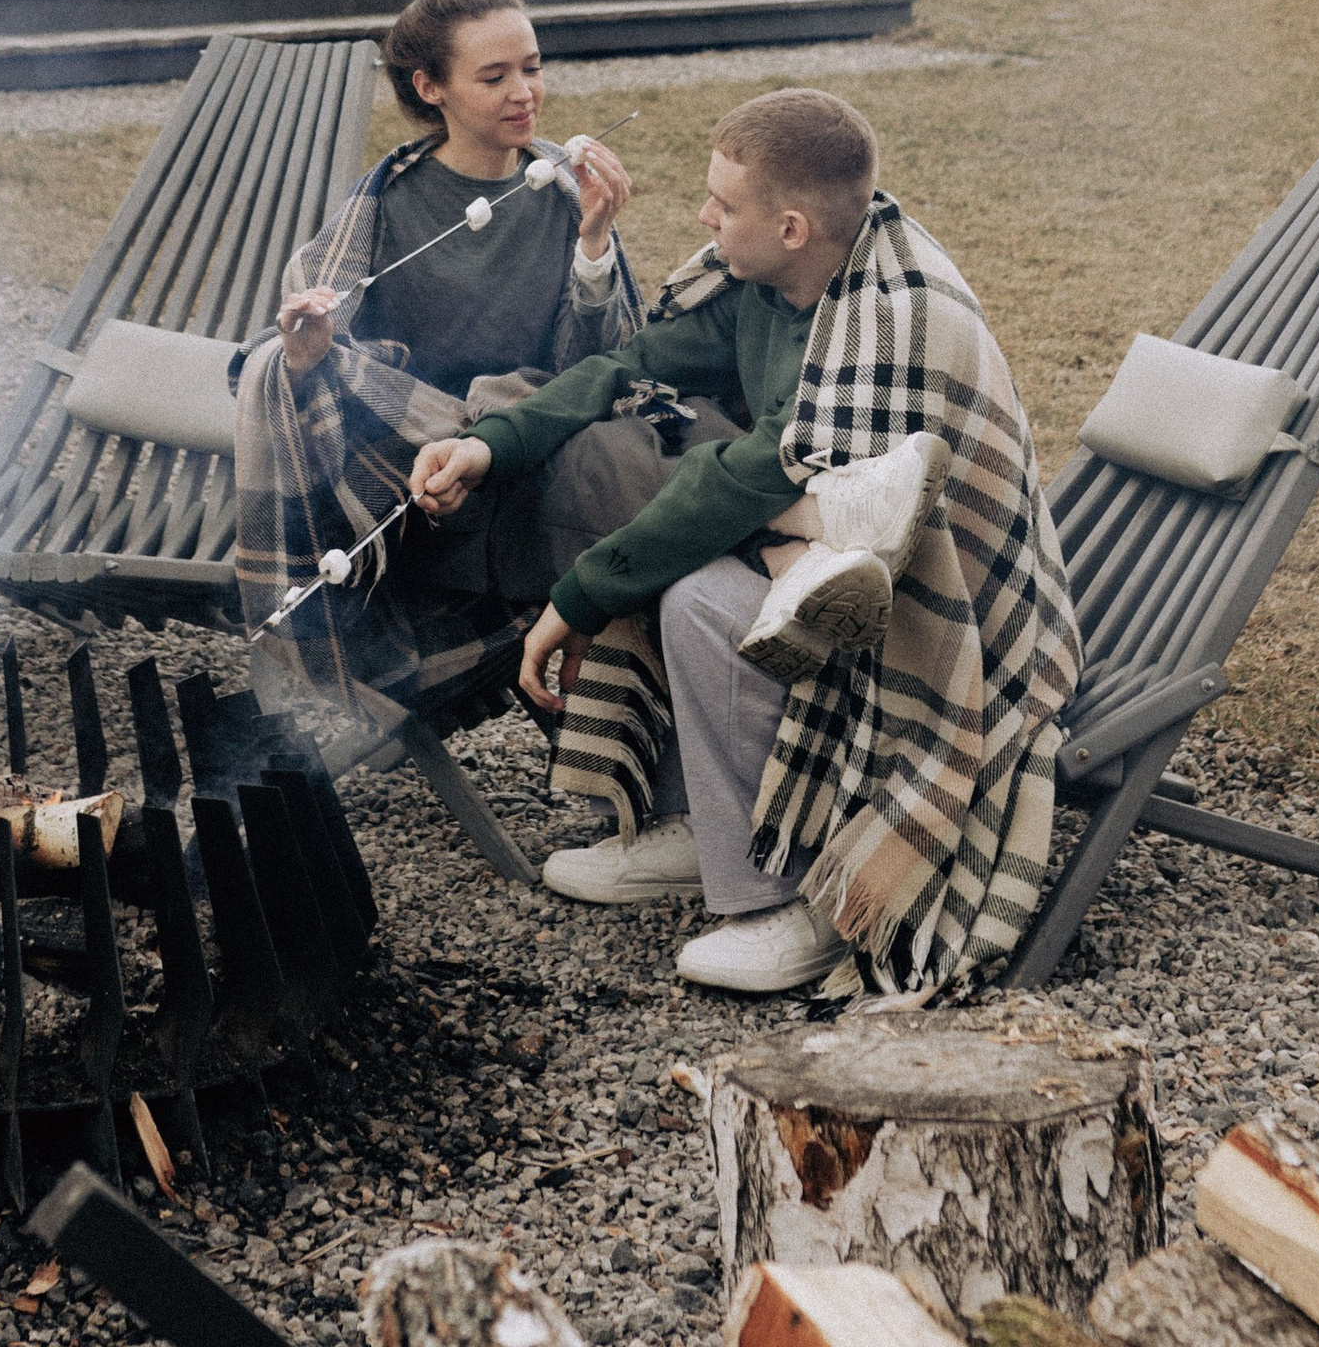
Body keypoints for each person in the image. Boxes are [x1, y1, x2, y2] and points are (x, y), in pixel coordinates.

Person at [410, 88, 1081, 997]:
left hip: (948, 618)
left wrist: (574, 602)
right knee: (676, 556)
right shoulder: (770, 286)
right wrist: (495, 443)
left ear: (793, 226)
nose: (703, 218)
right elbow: (629, 367)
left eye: (723, 207)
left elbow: (734, 481)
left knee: (696, 594)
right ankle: (703, 824)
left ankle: (797, 897)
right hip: (829, 551)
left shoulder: (888, 323)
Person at [231, 0, 642, 659]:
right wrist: (307, 352)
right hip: (410, 481)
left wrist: (595, 245)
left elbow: (604, 365)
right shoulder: (389, 205)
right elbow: (334, 373)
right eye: (494, 76)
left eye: (532, 68)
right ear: (430, 88)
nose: (524, 93)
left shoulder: (565, 196)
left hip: (527, 451)